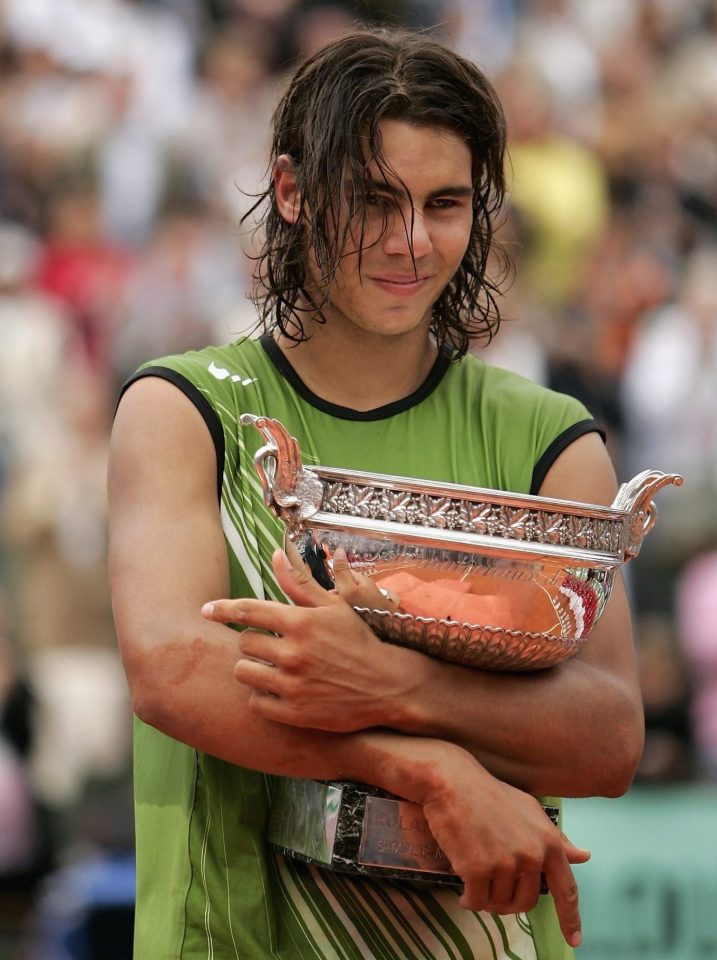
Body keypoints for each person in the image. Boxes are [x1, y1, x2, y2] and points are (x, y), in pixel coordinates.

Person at [108, 28, 644, 960]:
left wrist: (394, 682)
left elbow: (607, 737)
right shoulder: (180, 408)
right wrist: (431, 768)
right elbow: (169, 671)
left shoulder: (550, 437)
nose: (410, 242)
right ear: (292, 191)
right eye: (374, 201)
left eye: (443, 204)